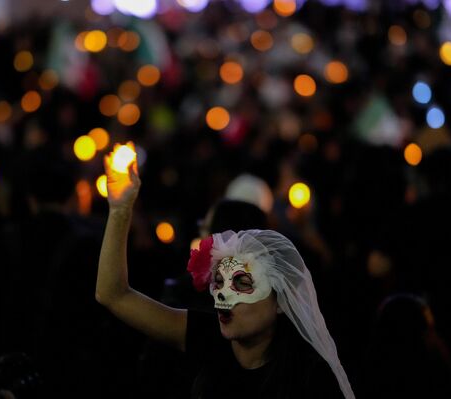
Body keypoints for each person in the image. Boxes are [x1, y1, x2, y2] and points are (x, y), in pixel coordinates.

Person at [95, 144, 355, 399]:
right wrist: (120, 211)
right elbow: (113, 294)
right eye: (218, 281)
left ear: (279, 300)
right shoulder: (208, 337)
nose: (223, 295)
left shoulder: (309, 377)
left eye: (242, 282)